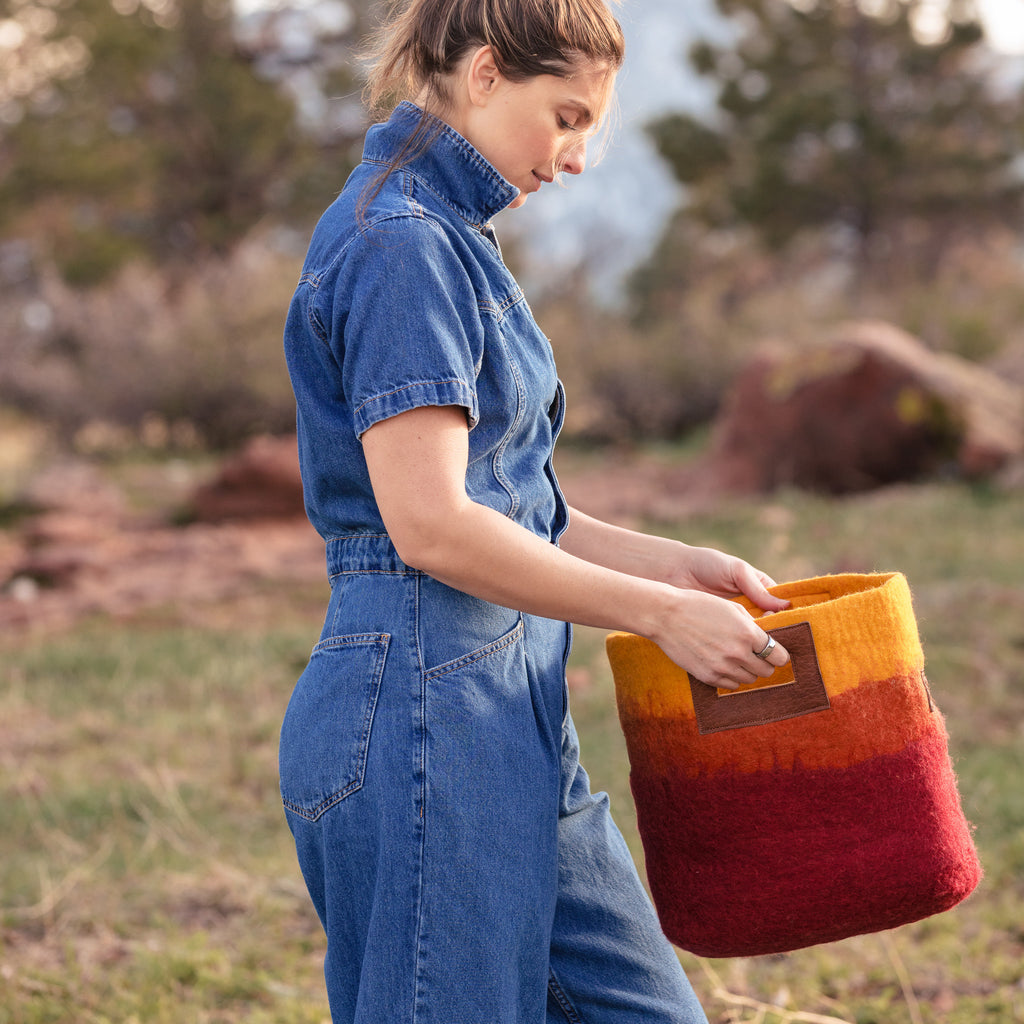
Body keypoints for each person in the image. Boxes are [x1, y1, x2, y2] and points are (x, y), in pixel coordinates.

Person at [278, 1, 791, 1021]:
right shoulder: (399, 247)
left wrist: (674, 567)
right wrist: (653, 616)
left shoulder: (450, 240)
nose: (577, 156)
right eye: (566, 117)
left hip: (508, 717)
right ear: (482, 75)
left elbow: (515, 508)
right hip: (421, 715)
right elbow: (429, 527)